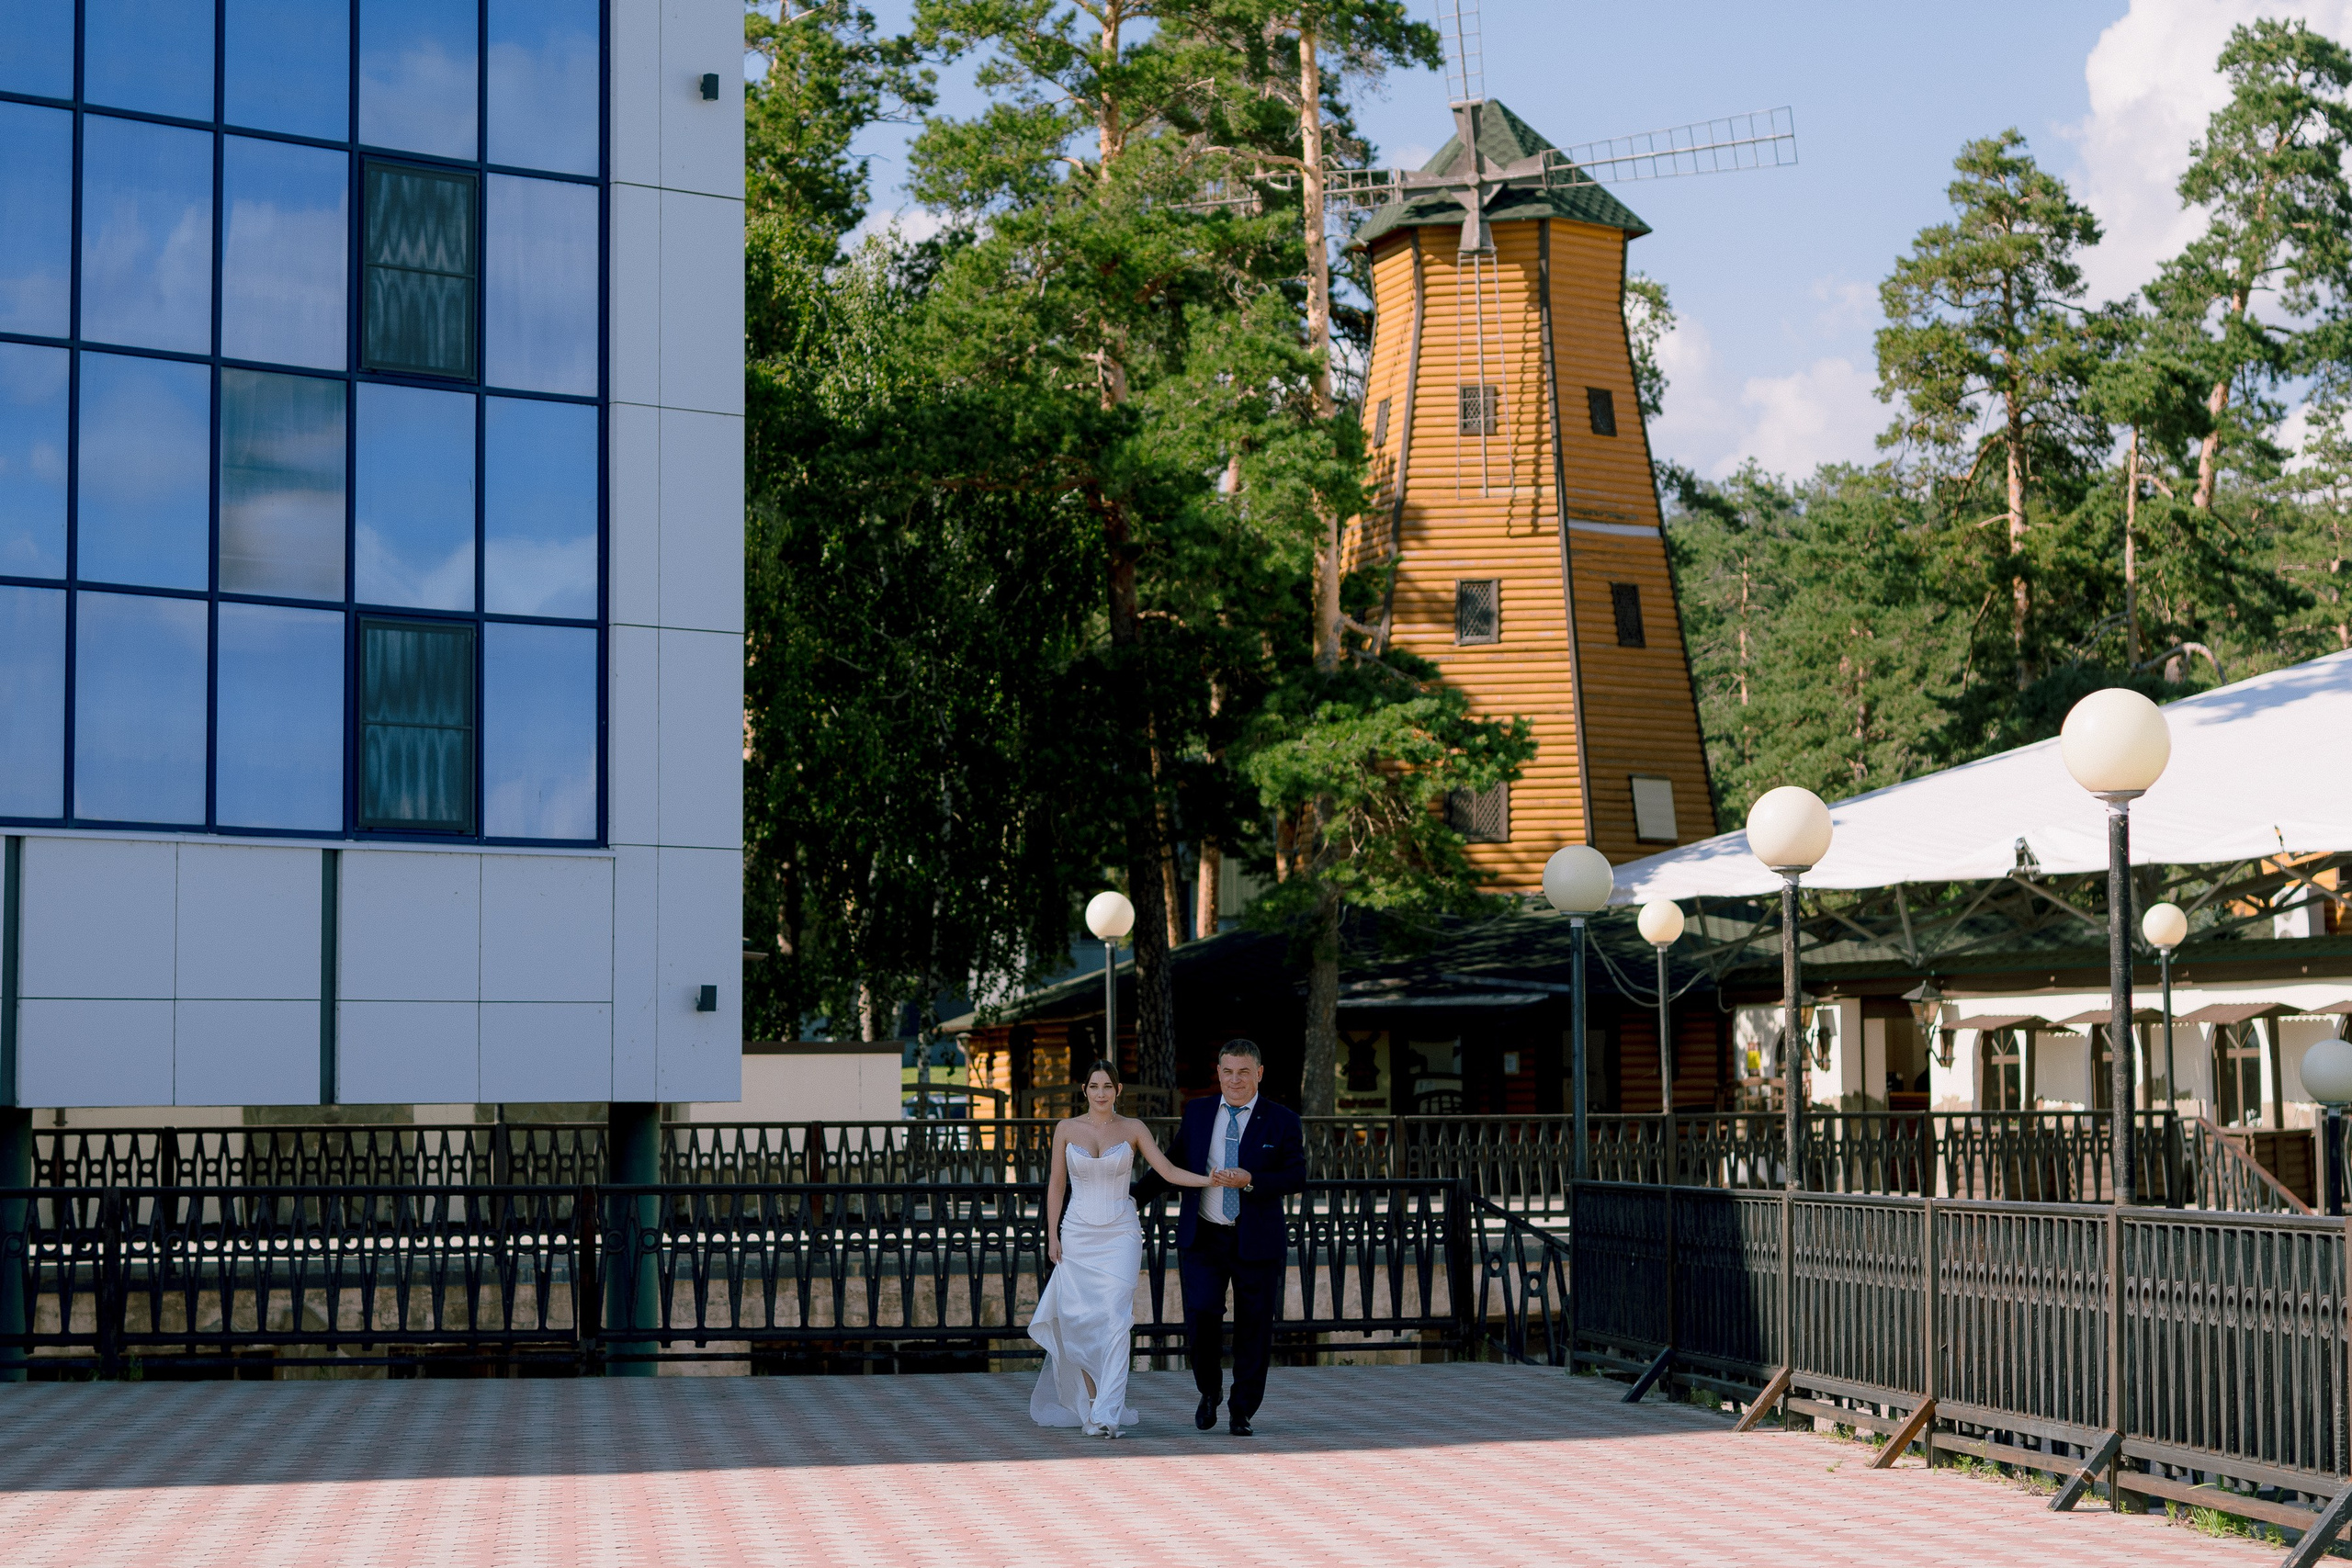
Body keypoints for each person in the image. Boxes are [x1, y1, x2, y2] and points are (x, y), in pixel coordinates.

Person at [1030, 1059, 1214, 1437]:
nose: (1101, 1093)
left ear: (1118, 1091)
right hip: (1077, 1235)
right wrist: (1052, 1235)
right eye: (1094, 1086)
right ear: (1084, 1090)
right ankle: (1093, 1403)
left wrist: (1211, 1180)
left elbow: (1166, 1171)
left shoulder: (1133, 1128)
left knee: (1115, 1319)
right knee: (1078, 1322)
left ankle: (1107, 1413)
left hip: (1121, 1235)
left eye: (1107, 1087)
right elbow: (1056, 1186)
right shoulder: (1066, 1129)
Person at [1172, 1039, 1306, 1436]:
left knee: (1255, 1326)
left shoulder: (1281, 1119)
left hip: (1256, 1241)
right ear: (1218, 1073)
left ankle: (1242, 1409)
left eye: (1244, 1072)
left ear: (1259, 1074)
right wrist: (1127, 1199)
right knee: (1201, 1315)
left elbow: (1296, 1176)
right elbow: (1173, 1162)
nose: (1235, 1080)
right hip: (1204, 1237)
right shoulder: (1196, 1112)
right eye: (1227, 1071)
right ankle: (1209, 1391)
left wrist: (1252, 1182)